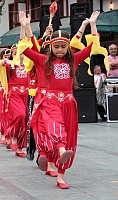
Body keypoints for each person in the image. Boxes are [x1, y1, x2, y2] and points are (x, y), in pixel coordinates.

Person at [19, 11, 100, 189]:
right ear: (51, 47)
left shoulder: (74, 60)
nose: (60, 50)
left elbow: (91, 48)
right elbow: (25, 48)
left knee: (70, 137)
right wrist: (24, 27)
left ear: (68, 47)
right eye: (57, 47)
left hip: (69, 104)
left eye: (64, 47)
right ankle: (58, 151)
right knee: (55, 127)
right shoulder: (42, 60)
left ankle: (61, 175)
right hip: (49, 102)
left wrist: (91, 24)